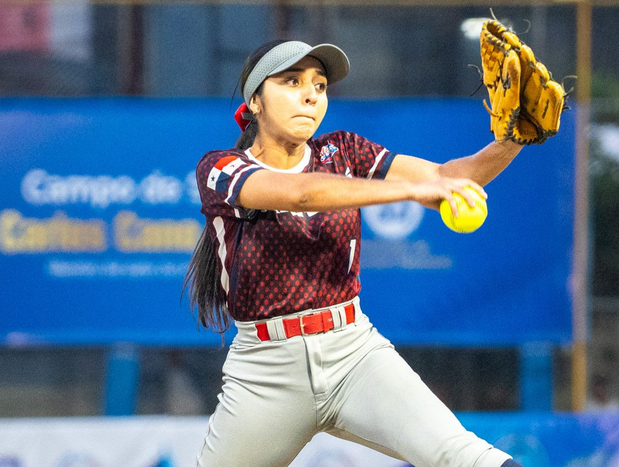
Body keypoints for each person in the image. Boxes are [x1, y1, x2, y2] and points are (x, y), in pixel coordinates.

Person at [184, 39, 527, 467]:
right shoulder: (220, 168)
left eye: (320, 84)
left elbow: (447, 177)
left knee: (466, 456)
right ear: (255, 100)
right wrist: (411, 190)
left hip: (355, 356)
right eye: (292, 81)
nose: (311, 93)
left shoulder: (343, 150)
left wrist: (514, 139)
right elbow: (302, 194)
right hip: (265, 373)